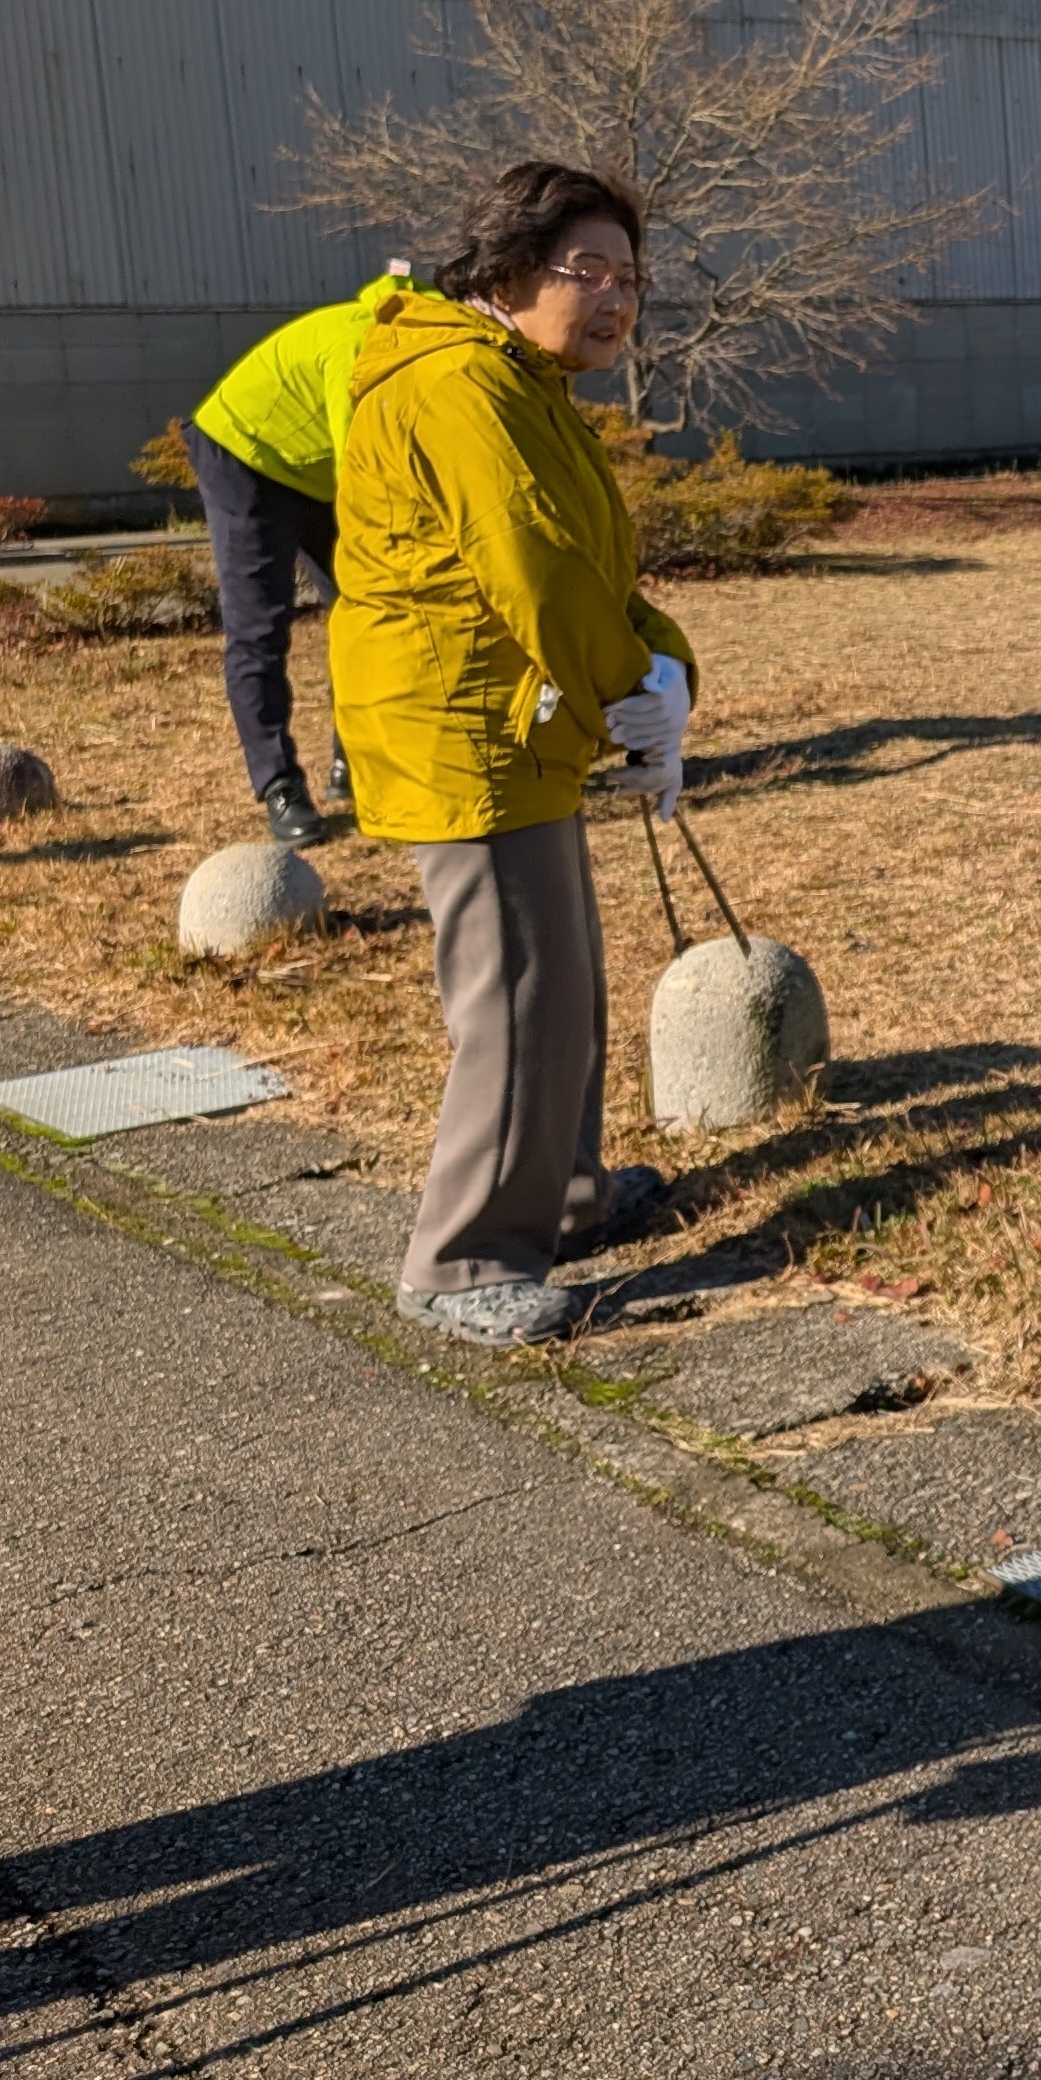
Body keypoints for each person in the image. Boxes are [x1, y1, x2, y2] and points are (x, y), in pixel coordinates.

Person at [330, 160, 698, 1347]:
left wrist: (664, 668)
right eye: (583, 270)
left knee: (566, 980)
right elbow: (532, 569)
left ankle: (565, 1193)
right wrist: (624, 686)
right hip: (465, 732)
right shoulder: (458, 385)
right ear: (505, 267)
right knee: (522, 994)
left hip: (513, 720)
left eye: (628, 278)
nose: (611, 299)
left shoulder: (520, 381)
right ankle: (463, 1260)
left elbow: (591, 567)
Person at [186, 266, 405, 847]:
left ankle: (354, 760)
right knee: (260, 627)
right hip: (245, 455)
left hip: (314, 467)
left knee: (371, 610)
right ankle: (279, 784)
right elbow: (363, 475)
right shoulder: (357, 352)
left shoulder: (434, 353)